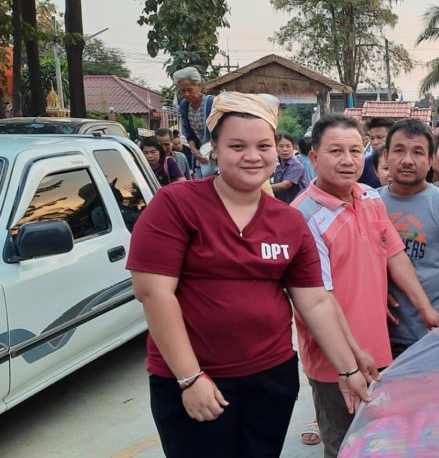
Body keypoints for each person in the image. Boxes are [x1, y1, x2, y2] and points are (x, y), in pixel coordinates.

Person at [126, 92, 372, 458]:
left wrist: (348, 369)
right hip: (194, 377)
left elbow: (315, 301)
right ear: (215, 149)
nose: (253, 156)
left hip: (270, 377)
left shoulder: (288, 220)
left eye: (263, 146)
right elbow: (153, 294)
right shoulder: (176, 204)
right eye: (237, 146)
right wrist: (189, 378)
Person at [291, 113, 439, 458]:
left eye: (354, 150)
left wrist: (426, 309)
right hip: (335, 360)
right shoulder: (302, 216)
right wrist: (351, 357)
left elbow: (395, 254)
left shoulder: (369, 196)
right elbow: (318, 299)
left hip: (378, 349)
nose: (347, 160)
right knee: (344, 444)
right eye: (336, 151)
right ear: (314, 157)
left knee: (379, 441)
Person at [377, 119, 439, 356]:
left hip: (434, 332)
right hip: (383, 333)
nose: (407, 160)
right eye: (399, 151)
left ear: (431, 160)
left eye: (418, 152)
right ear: (386, 156)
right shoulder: (371, 203)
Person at [173, 67, 216, 178]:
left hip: (216, 152)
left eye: (189, 90)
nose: (186, 94)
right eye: (183, 91)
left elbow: (221, 130)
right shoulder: (184, 105)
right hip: (200, 154)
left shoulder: (212, 103)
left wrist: (212, 149)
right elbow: (188, 132)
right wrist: (194, 150)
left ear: (199, 86)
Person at [270, 134, 308, 204]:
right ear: (275, 148)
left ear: (293, 148)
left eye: (288, 146)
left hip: (297, 205)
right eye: (281, 146)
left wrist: (263, 188)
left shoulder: (296, 165)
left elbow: (285, 185)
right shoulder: (278, 167)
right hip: (282, 204)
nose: (285, 149)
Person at [357, 118, 394, 188]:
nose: (375, 142)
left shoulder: (403, 161)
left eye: (379, 137)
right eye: (372, 138)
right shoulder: (364, 164)